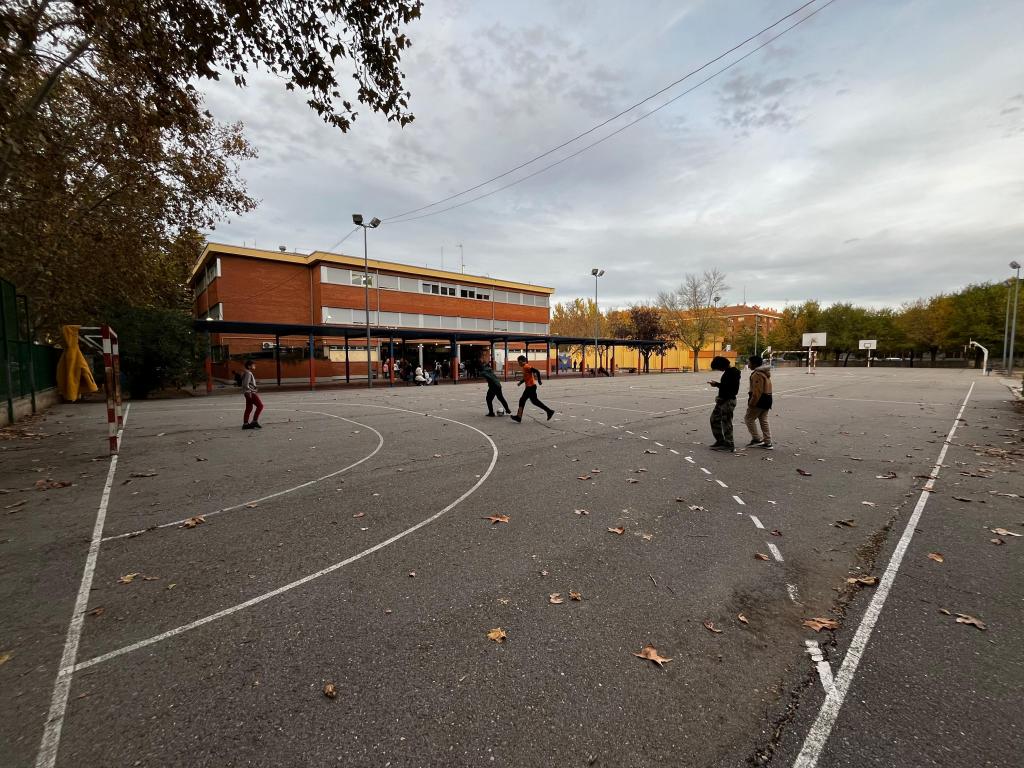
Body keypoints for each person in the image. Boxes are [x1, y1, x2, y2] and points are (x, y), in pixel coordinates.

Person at [707, 355, 739, 451]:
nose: (718, 369)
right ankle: (720, 441)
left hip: (727, 401)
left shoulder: (733, 373)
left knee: (726, 422)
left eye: (718, 367)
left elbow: (732, 389)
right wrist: (717, 385)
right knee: (714, 419)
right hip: (722, 400)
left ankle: (729, 444)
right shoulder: (728, 372)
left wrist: (717, 385)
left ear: (722, 365)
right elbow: (726, 386)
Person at [511, 355, 554, 422]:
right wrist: (521, 382)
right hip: (531, 387)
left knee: (522, 400)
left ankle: (518, 417)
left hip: (530, 387)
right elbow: (526, 377)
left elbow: (537, 371)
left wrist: (539, 381)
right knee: (535, 401)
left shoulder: (526, 366)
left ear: (521, 361)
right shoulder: (524, 367)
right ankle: (549, 411)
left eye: (518, 362)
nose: (518, 364)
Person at [744, 354, 774, 449]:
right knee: (763, 420)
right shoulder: (765, 372)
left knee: (748, 419)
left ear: (754, 364)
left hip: (759, 400)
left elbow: (757, 391)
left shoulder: (757, 374)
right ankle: (768, 441)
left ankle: (756, 439)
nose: (748, 364)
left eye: (749, 363)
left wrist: (752, 403)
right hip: (767, 398)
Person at [240, 359, 263, 430]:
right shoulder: (248, 373)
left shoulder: (246, 372)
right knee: (260, 406)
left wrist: (254, 384)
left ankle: (245, 424)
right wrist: (253, 390)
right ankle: (254, 421)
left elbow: (247, 383)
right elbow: (245, 385)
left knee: (249, 408)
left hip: (247, 393)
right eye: (253, 365)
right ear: (249, 366)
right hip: (250, 393)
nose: (254, 366)